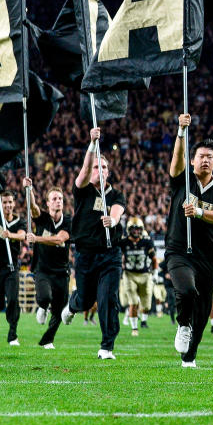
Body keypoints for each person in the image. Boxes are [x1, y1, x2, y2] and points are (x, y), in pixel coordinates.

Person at [166, 114, 213, 368]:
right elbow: (175, 163)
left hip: (207, 255)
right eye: (201, 156)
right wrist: (181, 132)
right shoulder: (183, 180)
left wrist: (201, 212)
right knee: (185, 290)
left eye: (210, 157)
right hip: (180, 250)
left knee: (203, 311)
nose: (205, 160)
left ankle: (190, 356)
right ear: (193, 160)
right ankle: (182, 323)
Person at [60, 127, 126, 360]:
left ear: (109, 172)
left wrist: (113, 220)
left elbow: (118, 211)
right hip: (86, 254)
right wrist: (91, 145)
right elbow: (84, 171)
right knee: (86, 299)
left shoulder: (116, 195)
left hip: (110, 254)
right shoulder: (83, 190)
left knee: (108, 298)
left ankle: (107, 346)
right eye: (98, 166)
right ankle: (72, 306)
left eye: (104, 167)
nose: (101, 170)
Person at [0, 161, 27, 346]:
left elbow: (23, 235)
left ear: (14, 204)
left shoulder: (18, 222)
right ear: (1, 203)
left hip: (10, 267)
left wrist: (11, 235)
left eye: (10, 202)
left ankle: (13, 333)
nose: (8, 205)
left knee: (13, 299)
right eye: (5, 202)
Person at [29, 186, 72, 349]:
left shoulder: (68, 221)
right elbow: (33, 207)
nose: (58, 201)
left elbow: (59, 240)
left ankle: (48, 340)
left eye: (60, 198)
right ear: (47, 203)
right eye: (54, 199)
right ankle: (42, 306)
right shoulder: (42, 218)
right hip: (43, 269)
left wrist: (37, 238)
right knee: (45, 297)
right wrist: (30, 190)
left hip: (61, 271)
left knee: (59, 310)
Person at [118, 217, 156, 338]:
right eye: (133, 229)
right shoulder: (123, 242)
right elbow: (119, 257)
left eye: (138, 229)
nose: (136, 232)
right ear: (129, 230)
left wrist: (154, 273)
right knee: (133, 302)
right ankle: (134, 327)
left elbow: (154, 259)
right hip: (129, 274)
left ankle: (143, 320)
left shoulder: (147, 242)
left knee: (147, 305)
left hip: (145, 274)